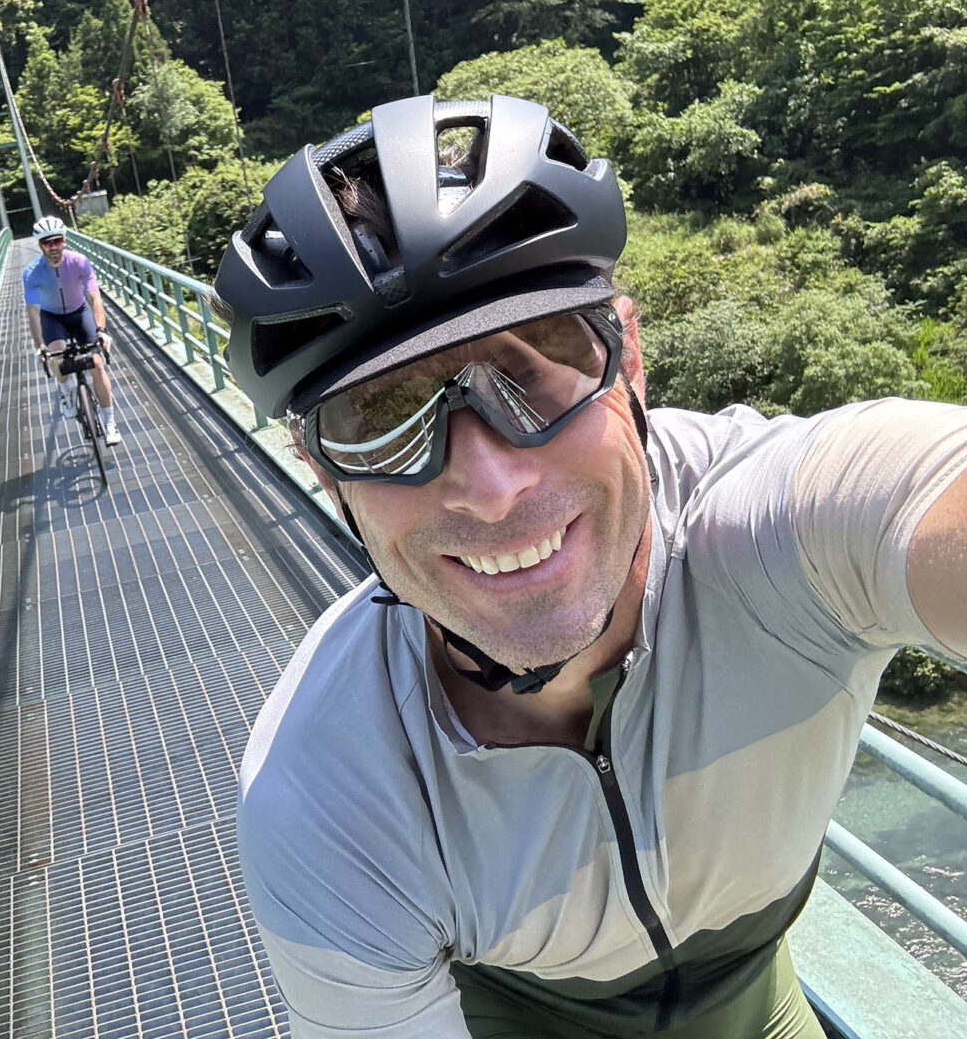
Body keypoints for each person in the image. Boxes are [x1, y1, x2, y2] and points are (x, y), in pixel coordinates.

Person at [215, 93, 967, 1038]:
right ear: (327, 477)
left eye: (535, 367)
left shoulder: (786, 538)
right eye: (383, 420)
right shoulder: (327, 801)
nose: (487, 486)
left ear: (630, 354)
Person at [24, 214, 121, 446]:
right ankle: (66, 391)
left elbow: (94, 297)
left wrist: (101, 330)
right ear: (40, 246)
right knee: (56, 354)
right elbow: (34, 312)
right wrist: (40, 346)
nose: (53, 247)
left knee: (96, 363)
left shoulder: (79, 261)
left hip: (79, 313)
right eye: (48, 243)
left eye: (57, 241)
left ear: (64, 241)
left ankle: (110, 423)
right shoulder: (31, 272)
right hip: (52, 317)